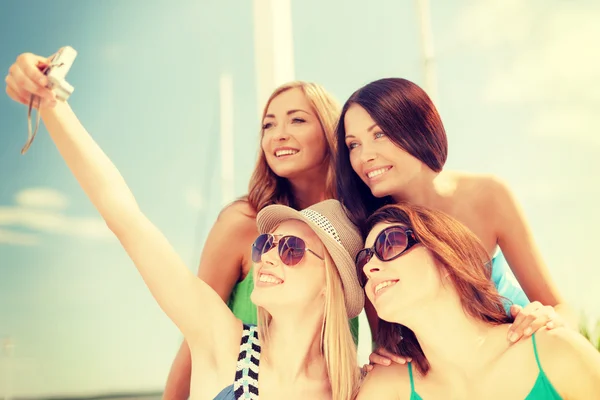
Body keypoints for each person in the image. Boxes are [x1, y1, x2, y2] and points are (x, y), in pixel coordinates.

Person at [4, 53, 364, 400]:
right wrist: (51, 101)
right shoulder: (221, 340)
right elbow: (126, 218)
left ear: (333, 279)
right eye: (264, 245)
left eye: (291, 249)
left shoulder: (359, 387)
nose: (267, 256)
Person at [335, 78, 574, 368]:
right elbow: (384, 340)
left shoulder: (487, 195)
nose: (364, 156)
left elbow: (560, 308)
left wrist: (546, 318)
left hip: (519, 353)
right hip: (441, 377)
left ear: (417, 127)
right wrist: (384, 355)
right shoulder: (370, 234)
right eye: (353, 144)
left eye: (380, 134)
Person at [355, 203, 600, 399]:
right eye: (364, 260)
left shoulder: (555, 351)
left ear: (446, 256)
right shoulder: (387, 387)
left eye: (390, 243)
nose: (370, 268)